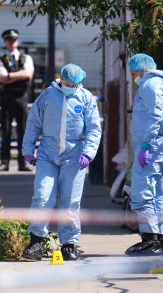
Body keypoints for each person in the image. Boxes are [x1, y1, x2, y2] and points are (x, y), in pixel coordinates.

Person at [21, 63, 102, 261]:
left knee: (70, 201)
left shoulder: (85, 98)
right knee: (42, 196)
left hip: (74, 155)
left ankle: (69, 244)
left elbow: (93, 128)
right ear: (61, 79)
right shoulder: (48, 95)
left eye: (74, 85)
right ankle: (36, 242)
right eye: (67, 83)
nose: (70, 87)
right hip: (48, 153)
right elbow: (33, 123)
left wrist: (88, 153)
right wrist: (27, 149)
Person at [125, 53, 163, 256]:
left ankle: (149, 239)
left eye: (133, 73)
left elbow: (155, 116)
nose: (134, 77)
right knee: (159, 194)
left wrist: (146, 145)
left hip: (152, 147)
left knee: (143, 194)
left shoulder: (150, 85)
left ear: (140, 69)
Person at [0, 29, 34, 172]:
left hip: (22, 98)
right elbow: (2, 78)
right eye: (9, 40)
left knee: (23, 131)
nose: (12, 42)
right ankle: (4, 162)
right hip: (6, 99)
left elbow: (28, 74)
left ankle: (23, 162)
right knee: (5, 131)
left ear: (17, 41)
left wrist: (10, 76)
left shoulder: (26, 58)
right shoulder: (1, 59)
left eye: (14, 40)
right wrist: (19, 75)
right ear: (5, 42)